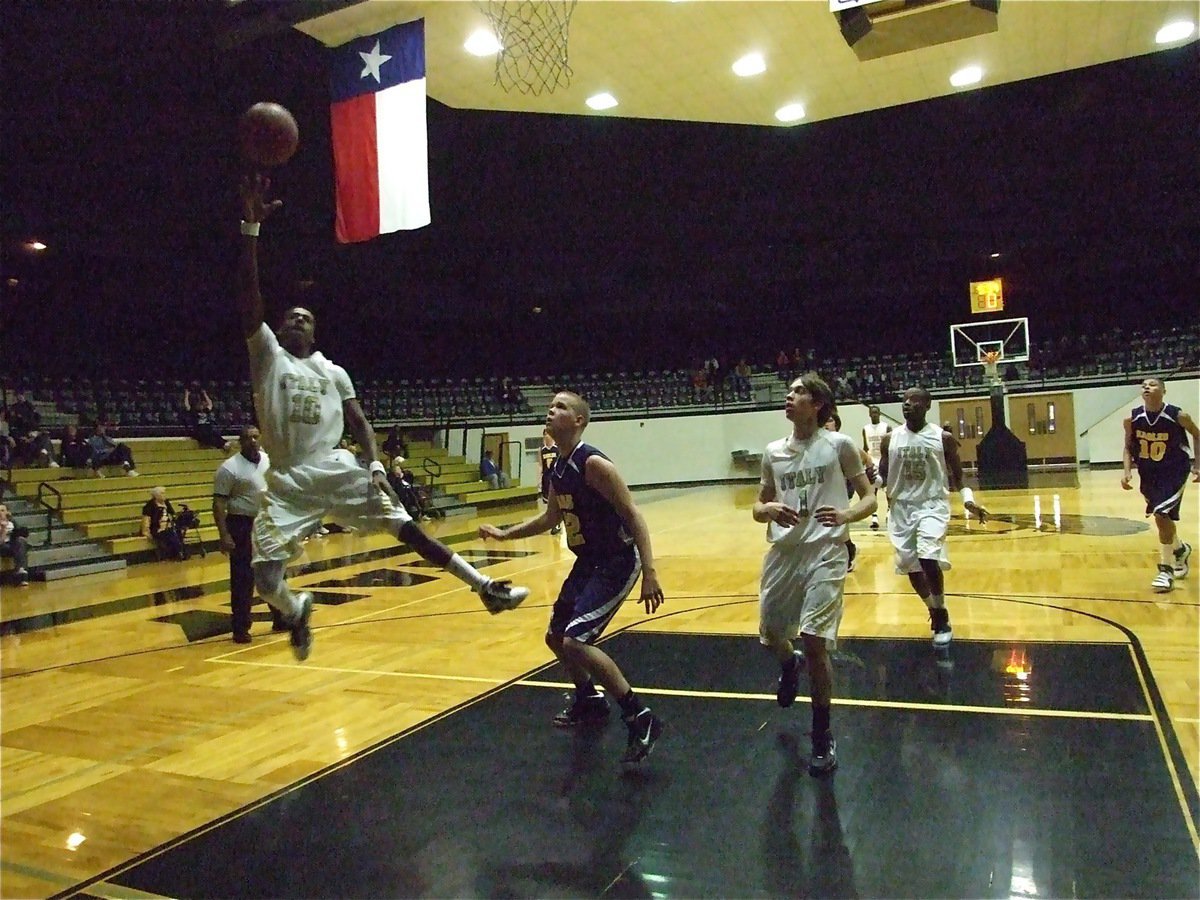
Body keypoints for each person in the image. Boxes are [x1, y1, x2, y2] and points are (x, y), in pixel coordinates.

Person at [236, 174, 528, 662]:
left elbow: (360, 423)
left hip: (333, 467)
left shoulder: (333, 371)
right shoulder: (268, 357)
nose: (297, 320)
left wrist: (374, 464)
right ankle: (296, 608)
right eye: (290, 317)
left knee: (406, 527)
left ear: (315, 331)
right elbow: (248, 300)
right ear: (278, 329)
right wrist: (250, 230)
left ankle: (485, 587)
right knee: (264, 581)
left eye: (306, 318)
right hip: (285, 481)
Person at [478, 391, 666, 766]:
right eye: (551, 406)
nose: (551, 410)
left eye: (561, 407)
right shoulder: (559, 467)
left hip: (616, 561)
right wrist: (505, 534)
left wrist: (650, 571)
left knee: (576, 642)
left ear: (579, 421)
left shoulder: (593, 463)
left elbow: (633, 515)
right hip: (588, 562)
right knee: (555, 638)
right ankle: (589, 698)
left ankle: (640, 715)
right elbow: (551, 518)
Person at [755, 373, 875, 776]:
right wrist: (768, 510)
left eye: (798, 392)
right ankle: (789, 664)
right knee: (772, 633)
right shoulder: (773, 452)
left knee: (814, 639)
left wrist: (845, 515)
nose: (789, 396)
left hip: (826, 550)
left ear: (818, 403)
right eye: (789, 392)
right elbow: (757, 507)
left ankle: (822, 735)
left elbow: (870, 498)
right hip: (784, 553)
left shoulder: (839, 445)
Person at [879, 387, 989, 649]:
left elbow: (958, 475)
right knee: (911, 567)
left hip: (932, 505)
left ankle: (941, 616)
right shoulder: (890, 439)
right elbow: (883, 476)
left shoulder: (943, 438)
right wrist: (869, 483)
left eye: (914, 400)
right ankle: (934, 608)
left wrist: (968, 501)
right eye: (904, 400)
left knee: (928, 557)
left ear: (928, 405)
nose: (907, 404)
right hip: (901, 508)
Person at [1121, 377, 1199, 592]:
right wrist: (1127, 471)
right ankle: (1180, 549)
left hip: (1174, 471)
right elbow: (1128, 447)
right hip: (1149, 474)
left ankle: (1166, 570)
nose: (1147, 387)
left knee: (1161, 514)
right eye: (1144, 385)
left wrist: (1198, 465)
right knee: (1161, 517)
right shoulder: (1132, 419)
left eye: (1153, 384)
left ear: (1164, 391)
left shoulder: (1178, 415)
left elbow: (1197, 435)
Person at [213, 425, 284, 643]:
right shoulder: (229, 468)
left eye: (255, 437)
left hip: (267, 522)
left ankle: (280, 617)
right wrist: (224, 534)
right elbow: (218, 503)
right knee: (243, 578)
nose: (252, 441)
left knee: (274, 572)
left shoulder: (268, 460)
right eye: (247, 438)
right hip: (241, 524)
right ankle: (240, 627)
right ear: (240, 442)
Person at [823, 410, 877, 573]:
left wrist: (868, 472)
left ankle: (847, 549)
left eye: (830, 420)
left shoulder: (844, 443)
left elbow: (866, 458)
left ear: (837, 424)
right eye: (824, 421)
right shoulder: (818, 445)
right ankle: (846, 547)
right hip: (825, 486)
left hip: (844, 485)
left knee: (836, 517)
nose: (826, 424)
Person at [861, 404, 891, 530]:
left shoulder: (886, 427)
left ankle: (889, 512)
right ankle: (874, 516)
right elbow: (865, 447)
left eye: (876, 412)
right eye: (872, 412)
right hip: (872, 460)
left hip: (884, 460)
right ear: (869, 414)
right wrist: (865, 462)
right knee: (873, 489)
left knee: (888, 488)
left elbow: (890, 446)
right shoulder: (865, 428)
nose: (874, 414)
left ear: (879, 414)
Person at [142, 486, 188, 561]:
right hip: (157, 528)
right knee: (170, 533)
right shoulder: (149, 506)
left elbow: (172, 513)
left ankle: (180, 551)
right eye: (162, 493)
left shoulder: (166, 502)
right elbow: (146, 520)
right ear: (156, 496)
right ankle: (178, 552)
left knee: (177, 531)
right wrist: (146, 531)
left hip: (168, 525)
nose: (164, 495)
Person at [183, 385, 230, 451]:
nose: (201, 405)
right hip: (200, 429)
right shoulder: (194, 411)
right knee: (207, 435)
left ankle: (223, 443)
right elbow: (187, 405)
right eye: (200, 404)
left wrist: (205, 394)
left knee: (215, 433)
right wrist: (186, 395)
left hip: (208, 428)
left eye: (202, 404)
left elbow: (210, 403)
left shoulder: (206, 410)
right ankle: (221, 445)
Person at [0, 503, 31, 586]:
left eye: (2, 510)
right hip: (2, 546)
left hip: (13, 545)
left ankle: (21, 570)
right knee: (19, 547)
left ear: (7, 512)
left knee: (21, 541)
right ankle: (21, 572)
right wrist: (3, 529)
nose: (0, 513)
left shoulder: (12, 522)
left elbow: (21, 534)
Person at [539, 427, 561, 535]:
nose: (547, 436)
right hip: (546, 478)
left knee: (556, 502)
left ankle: (556, 524)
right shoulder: (542, 450)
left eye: (548, 434)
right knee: (548, 503)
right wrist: (539, 480)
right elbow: (540, 466)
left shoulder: (557, 449)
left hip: (555, 477)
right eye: (545, 434)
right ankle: (552, 523)